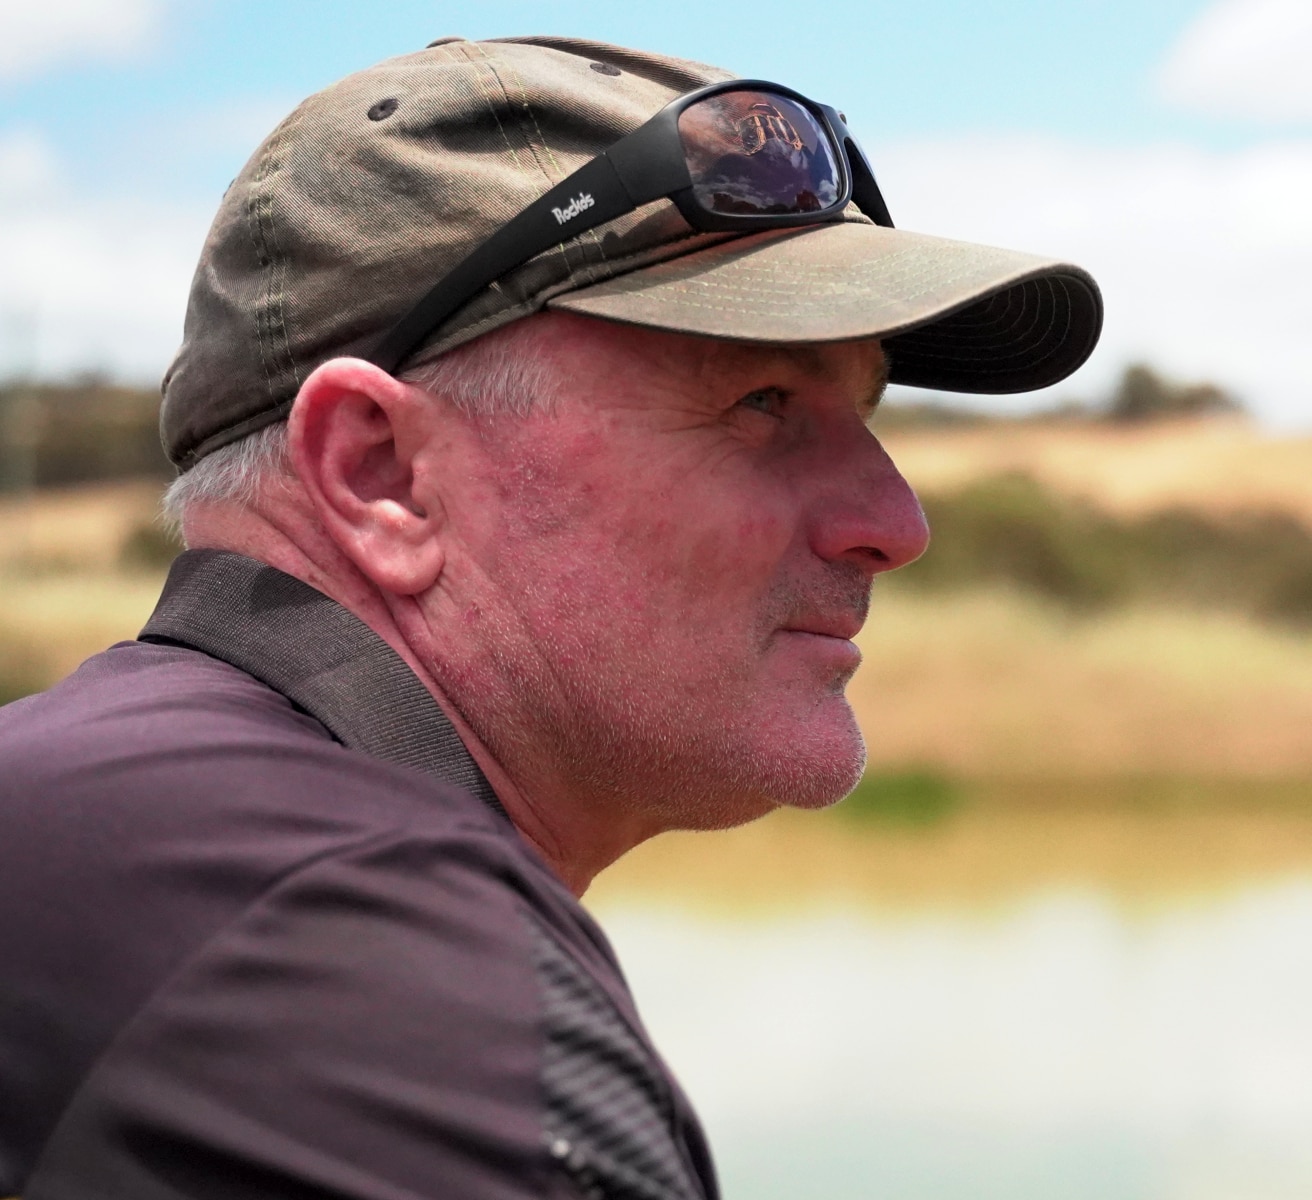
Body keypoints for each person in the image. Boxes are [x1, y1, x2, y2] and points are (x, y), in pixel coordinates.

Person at [0, 35, 1100, 1199]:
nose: (895, 520)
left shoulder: (108, 812)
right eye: (761, 400)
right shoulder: (364, 958)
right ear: (381, 473)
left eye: (864, 408)